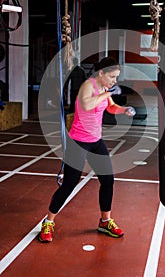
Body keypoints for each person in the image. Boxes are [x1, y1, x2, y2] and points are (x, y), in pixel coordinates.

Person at [39, 57, 136, 242]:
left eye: (116, 77)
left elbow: (111, 107)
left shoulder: (105, 89)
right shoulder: (87, 86)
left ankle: (105, 221)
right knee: (69, 184)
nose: (115, 81)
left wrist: (124, 110)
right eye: (112, 77)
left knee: (108, 180)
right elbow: (87, 105)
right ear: (101, 73)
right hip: (78, 143)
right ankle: (48, 221)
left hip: (96, 142)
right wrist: (108, 94)